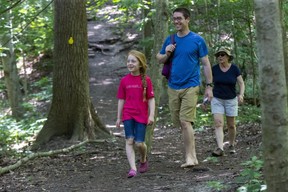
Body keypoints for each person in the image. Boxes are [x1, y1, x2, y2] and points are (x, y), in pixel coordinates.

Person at [156, 7, 213, 168]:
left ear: (187, 19)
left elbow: (206, 63)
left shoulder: (197, 40)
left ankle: (191, 157)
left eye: (179, 18)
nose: (176, 21)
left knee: (185, 121)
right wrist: (166, 53)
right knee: (180, 123)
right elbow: (159, 59)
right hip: (173, 86)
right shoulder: (170, 39)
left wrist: (209, 86)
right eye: (174, 18)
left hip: (191, 85)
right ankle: (192, 156)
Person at [116, 50, 155, 178]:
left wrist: (151, 115)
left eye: (133, 61)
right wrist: (118, 117)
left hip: (141, 115)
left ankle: (143, 159)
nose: (130, 63)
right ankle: (133, 168)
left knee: (139, 143)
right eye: (128, 61)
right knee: (129, 140)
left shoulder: (146, 80)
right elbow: (121, 99)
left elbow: (151, 99)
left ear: (140, 63)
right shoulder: (124, 81)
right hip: (128, 114)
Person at [211, 47, 245, 157]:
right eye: (218, 55)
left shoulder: (234, 69)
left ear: (228, 57)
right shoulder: (214, 69)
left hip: (231, 99)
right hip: (217, 99)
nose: (220, 57)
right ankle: (220, 148)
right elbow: (209, 84)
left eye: (222, 55)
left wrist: (241, 94)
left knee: (231, 125)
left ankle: (231, 144)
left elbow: (241, 83)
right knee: (218, 123)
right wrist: (207, 98)